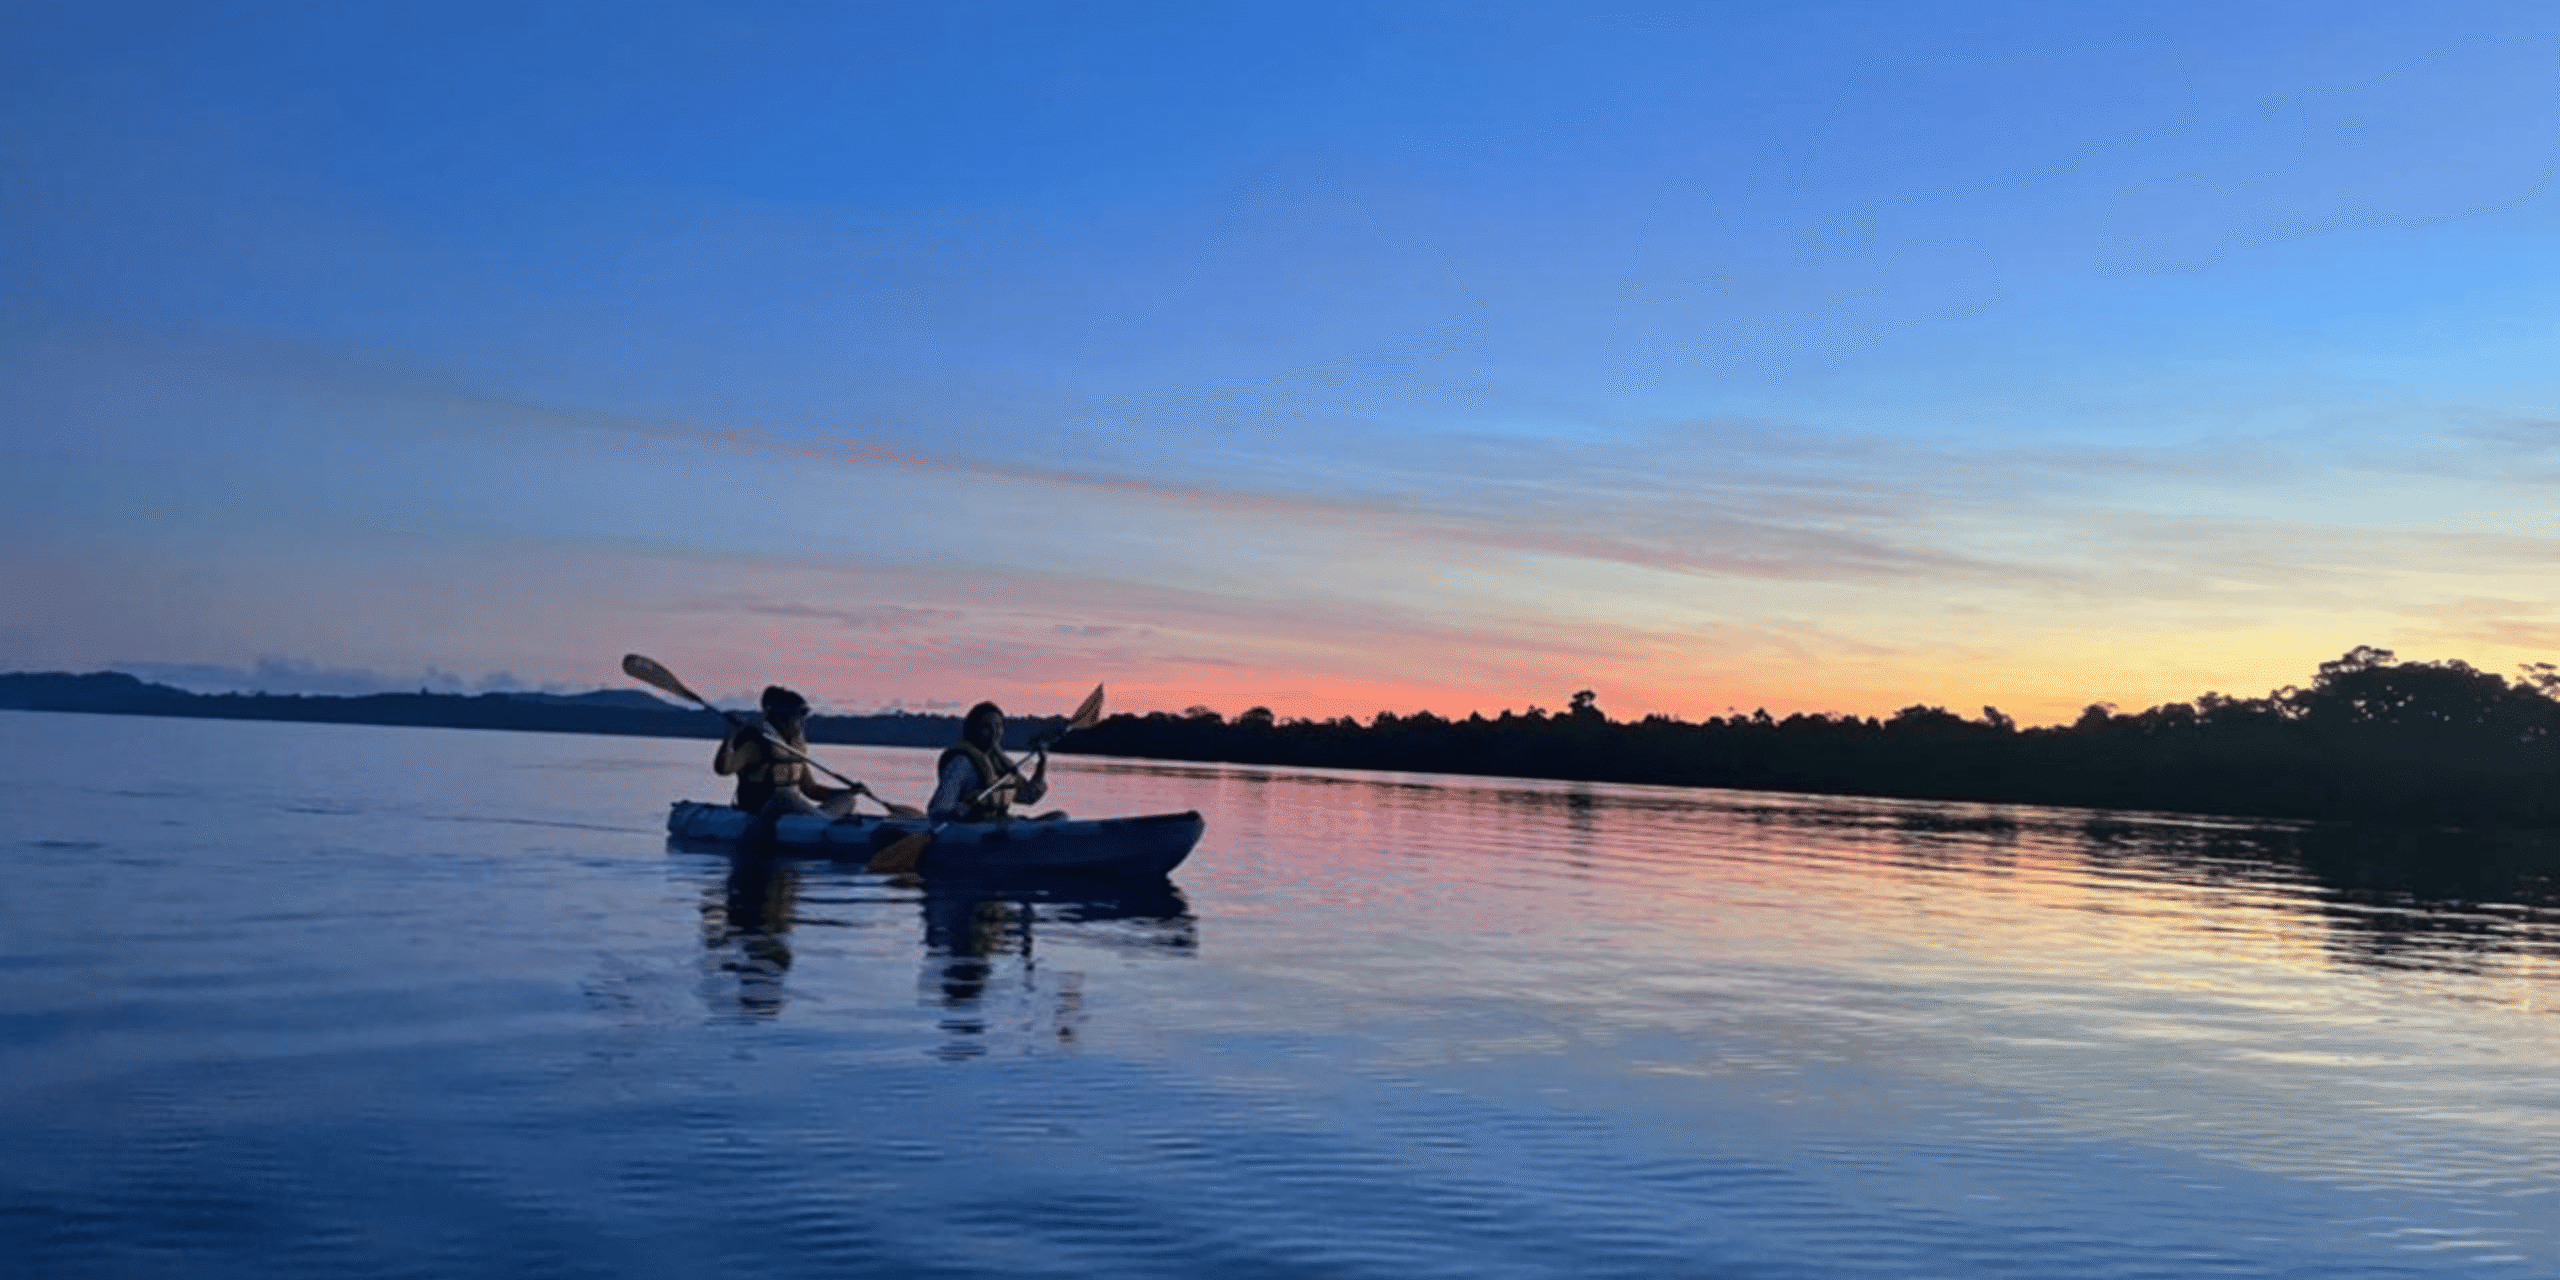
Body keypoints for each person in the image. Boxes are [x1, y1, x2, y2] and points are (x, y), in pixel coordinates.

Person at [715, 685, 870, 818]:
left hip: (795, 813)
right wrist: (731, 734)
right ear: (780, 719)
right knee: (785, 795)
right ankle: (824, 822)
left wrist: (849, 791)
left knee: (848, 799)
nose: (802, 724)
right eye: (797, 718)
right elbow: (723, 769)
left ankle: (822, 821)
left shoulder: (792, 749)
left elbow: (811, 790)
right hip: (761, 811)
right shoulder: (756, 746)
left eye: (803, 719)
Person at [928, 701, 1061, 822]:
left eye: (998, 726)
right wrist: (956, 811)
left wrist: (1042, 763)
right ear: (973, 730)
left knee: (1059, 817)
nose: (994, 733)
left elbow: (1028, 797)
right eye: (986, 727)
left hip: (999, 825)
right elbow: (938, 811)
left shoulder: (1000, 762)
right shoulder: (961, 763)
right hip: (973, 829)